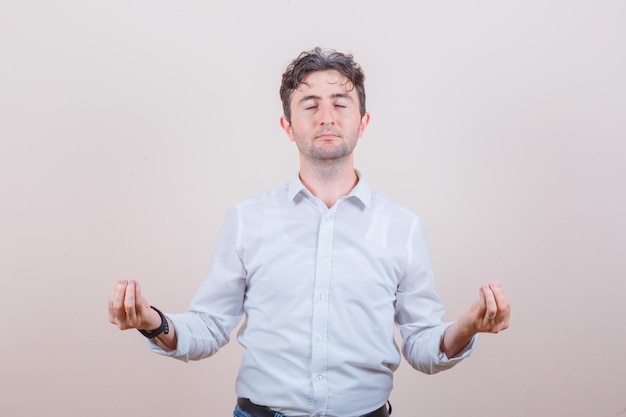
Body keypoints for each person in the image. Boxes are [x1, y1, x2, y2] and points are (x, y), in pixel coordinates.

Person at [108, 47, 511, 417]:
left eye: (341, 103)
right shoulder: (248, 218)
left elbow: (423, 346)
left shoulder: (403, 227)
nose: (327, 117)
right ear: (287, 126)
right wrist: (151, 321)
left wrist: (466, 327)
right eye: (310, 105)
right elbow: (210, 327)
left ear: (363, 122)